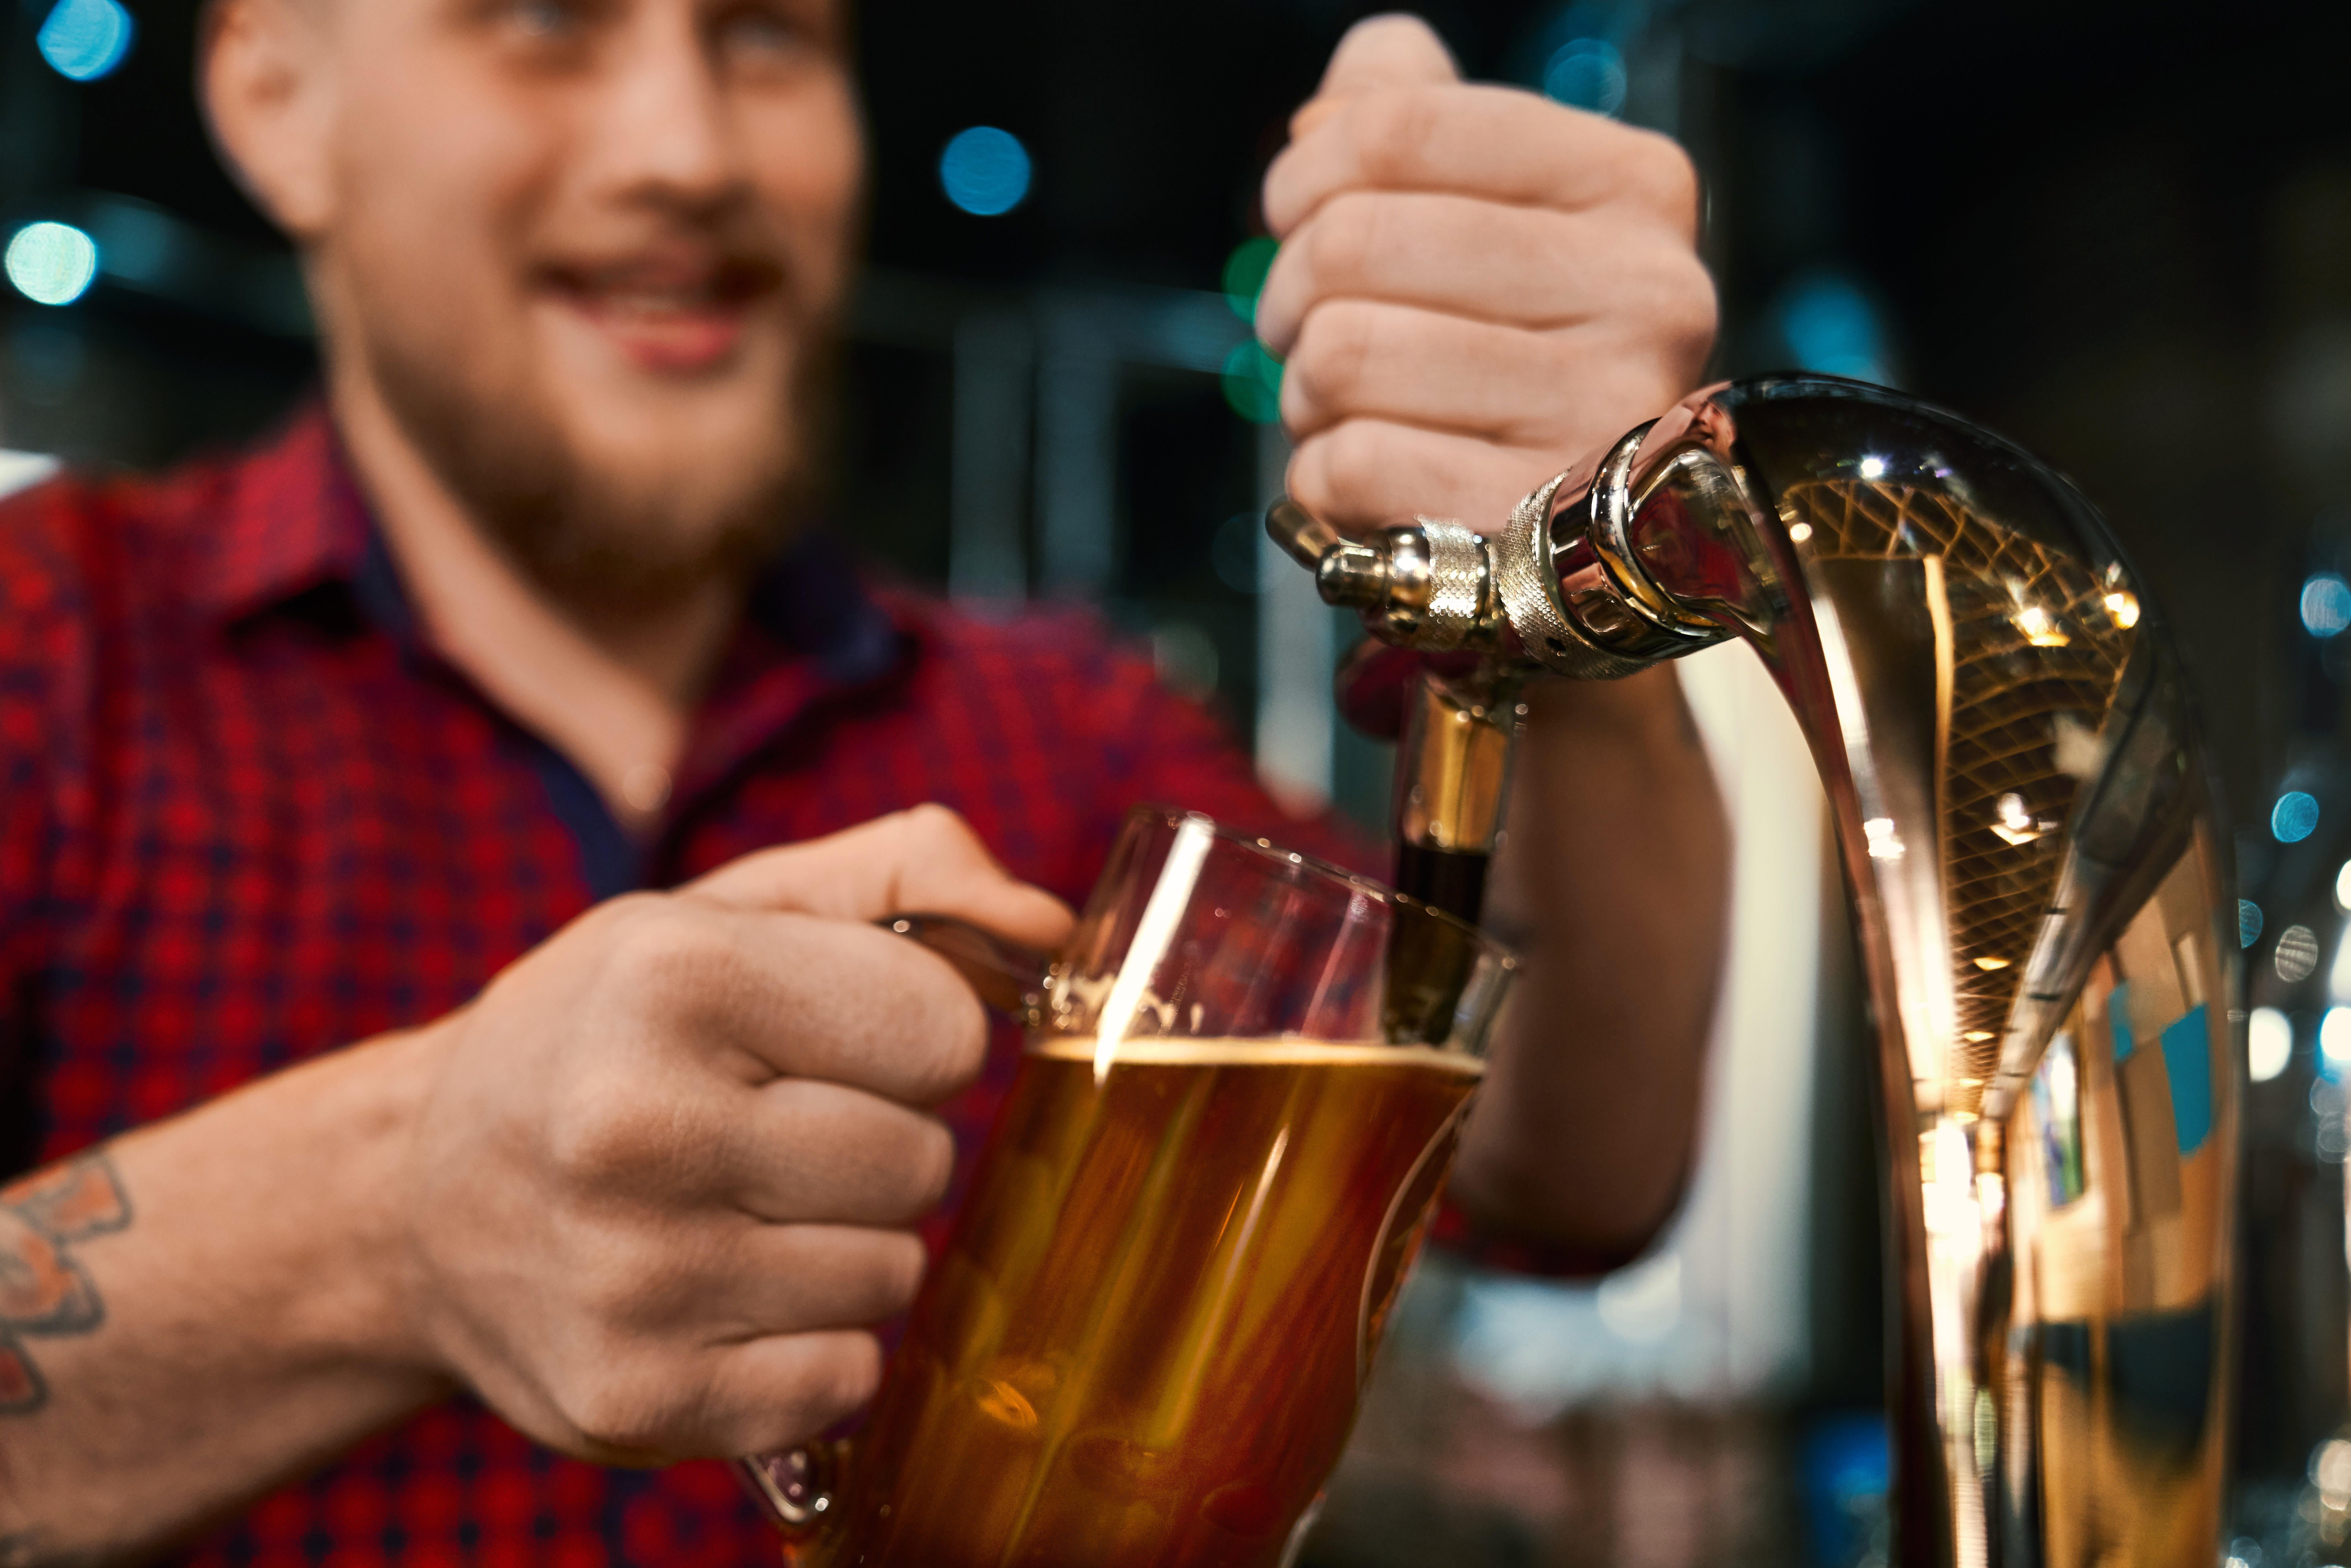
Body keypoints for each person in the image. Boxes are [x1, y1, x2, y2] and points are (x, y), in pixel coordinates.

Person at [0, 2, 1727, 1561]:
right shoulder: (47, 653)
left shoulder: (1060, 733)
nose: (686, 154)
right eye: (544, 22)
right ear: (275, 89)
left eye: (766, 37)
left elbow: (1568, 1166)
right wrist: (389, 1216)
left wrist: (1579, 591)